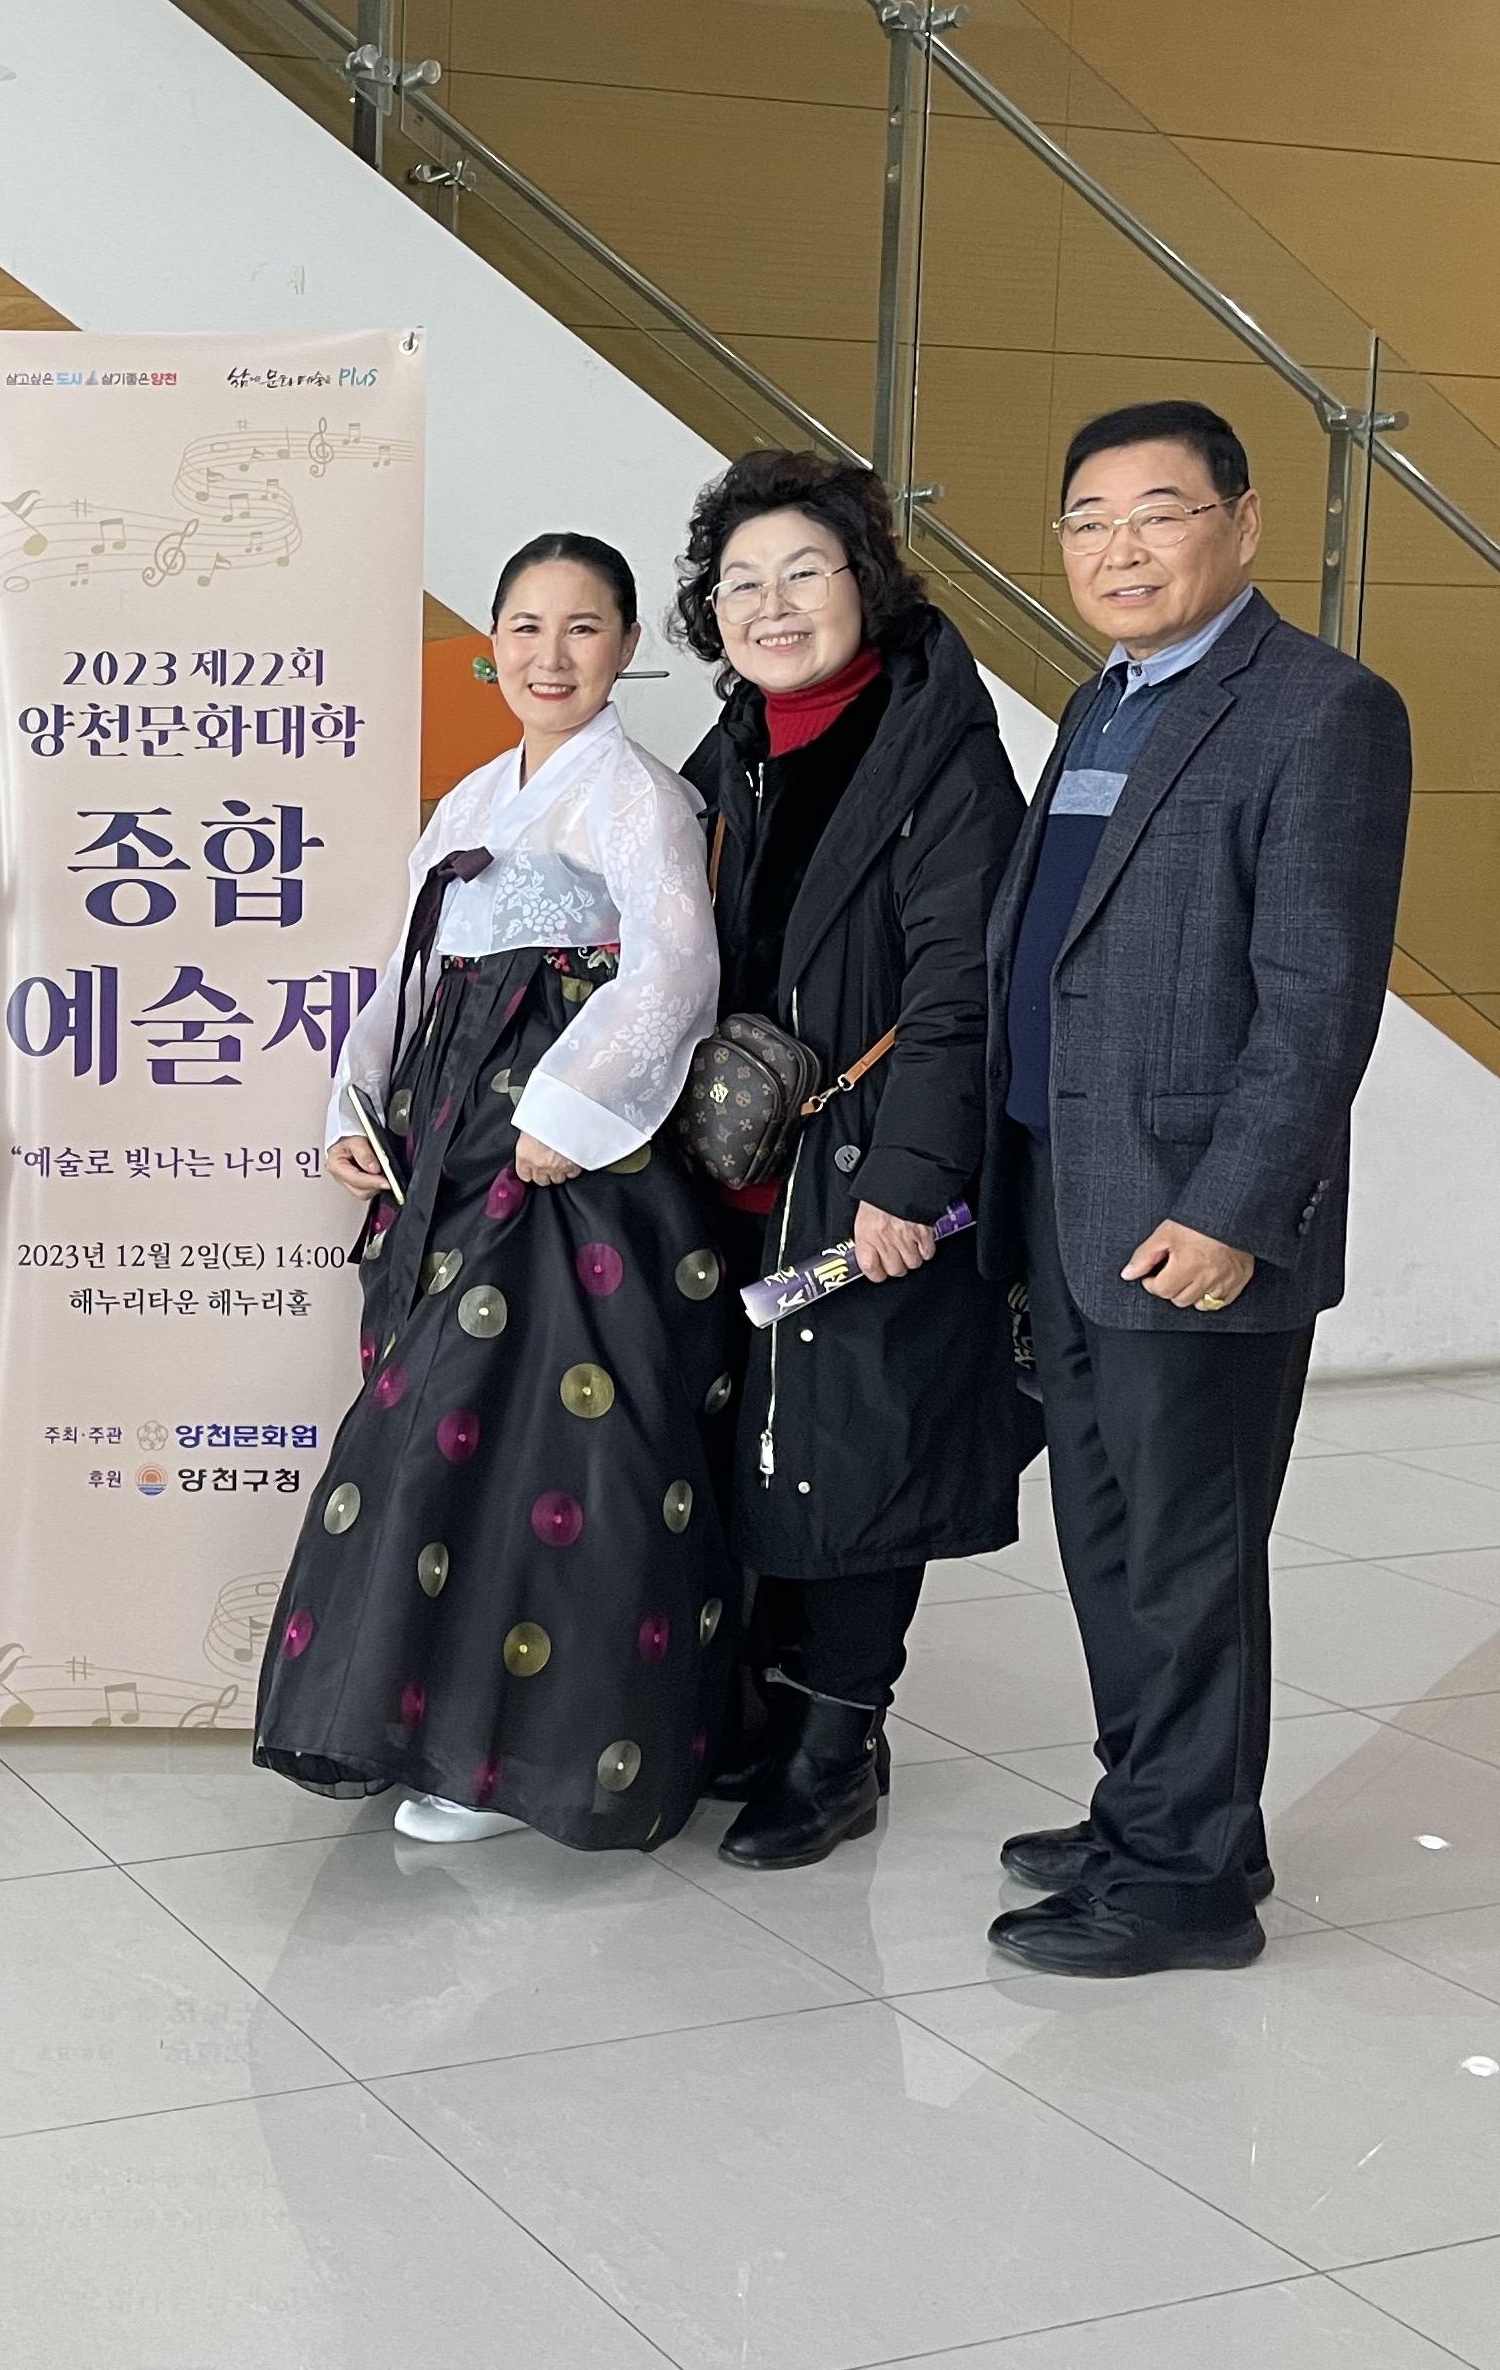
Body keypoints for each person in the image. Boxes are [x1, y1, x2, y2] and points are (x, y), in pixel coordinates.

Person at [982, 397, 1411, 1975]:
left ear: (1241, 524)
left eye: (1158, 512)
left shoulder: (1321, 709)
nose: (1121, 547)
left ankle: (1186, 1887)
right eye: (1089, 520)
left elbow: (1316, 999)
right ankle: (1158, 1812)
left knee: (1187, 1549)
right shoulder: (1104, 701)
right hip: (1066, 1189)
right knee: (1107, 1535)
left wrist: (1235, 1209)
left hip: (1190, 1213)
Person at [254, 531, 733, 1849]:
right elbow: (402, 973)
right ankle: (420, 1721)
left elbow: (673, 969)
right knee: (426, 1421)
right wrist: (356, 1103)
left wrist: (570, 1114)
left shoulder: (639, 796)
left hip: (569, 1161)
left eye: (582, 628)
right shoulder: (468, 800)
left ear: (627, 646)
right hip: (448, 1141)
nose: (550, 655)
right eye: (526, 627)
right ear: (492, 647)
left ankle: (511, 1758)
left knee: (548, 1437)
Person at [677, 454, 1035, 1867]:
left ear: (865, 583)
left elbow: (961, 991)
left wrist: (909, 1176)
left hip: (867, 1172)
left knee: (864, 1451)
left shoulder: (937, 750)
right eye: (740, 585)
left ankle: (836, 1748)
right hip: (739, 1172)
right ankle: (780, 1709)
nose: (771, 607)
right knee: (768, 1446)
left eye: (802, 574)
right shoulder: (733, 752)